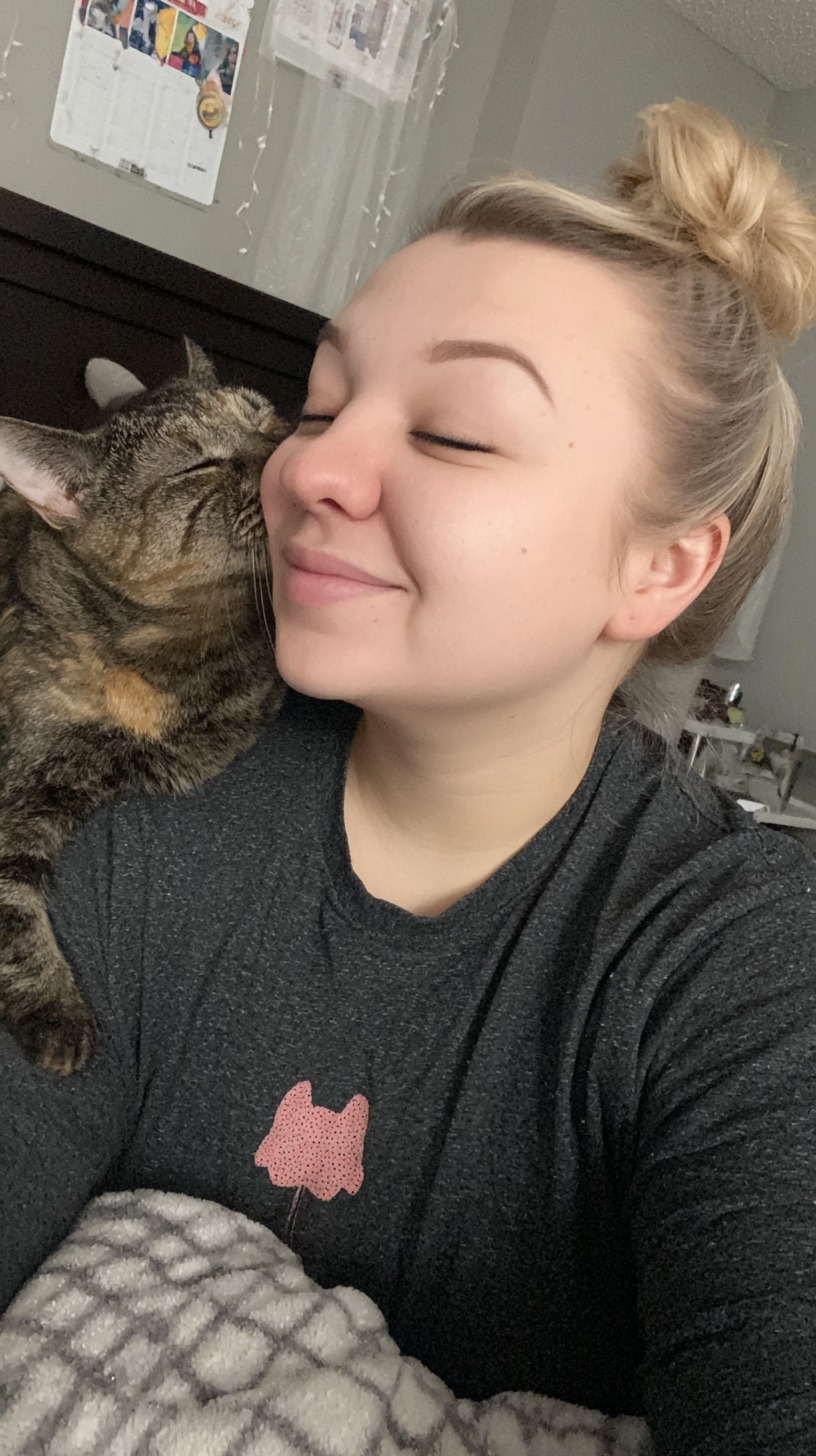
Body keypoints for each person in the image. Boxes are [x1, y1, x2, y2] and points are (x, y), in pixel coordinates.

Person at [2, 100, 816, 1455]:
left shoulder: (740, 966)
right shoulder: (134, 807)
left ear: (661, 566)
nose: (308, 464)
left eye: (451, 432)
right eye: (319, 402)